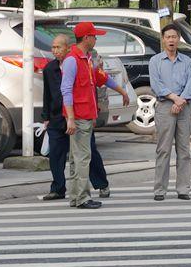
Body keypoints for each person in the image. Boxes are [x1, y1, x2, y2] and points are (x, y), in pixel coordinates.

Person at [61, 22, 130, 209]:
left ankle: (76, 197)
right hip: (79, 116)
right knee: (82, 158)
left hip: (84, 115)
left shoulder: (87, 59)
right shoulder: (73, 60)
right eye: (94, 36)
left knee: (77, 158)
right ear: (86, 38)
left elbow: (102, 77)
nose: (96, 39)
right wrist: (71, 118)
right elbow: (66, 90)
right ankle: (82, 198)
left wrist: (122, 91)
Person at [41, 34, 112, 202]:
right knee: (56, 154)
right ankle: (58, 188)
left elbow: (90, 89)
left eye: (58, 47)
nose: (55, 51)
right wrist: (46, 116)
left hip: (78, 115)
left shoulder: (79, 63)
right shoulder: (50, 69)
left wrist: (93, 114)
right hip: (58, 116)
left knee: (88, 153)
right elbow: (47, 94)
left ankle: (101, 184)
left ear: (68, 48)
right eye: (53, 47)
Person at [149, 24, 191, 201]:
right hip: (164, 107)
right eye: (168, 37)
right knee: (163, 149)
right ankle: (160, 190)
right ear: (163, 39)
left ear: (178, 39)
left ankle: (183, 189)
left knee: (184, 150)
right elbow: (156, 85)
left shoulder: (187, 61)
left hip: (184, 107)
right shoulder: (155, 61)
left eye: (174, 37)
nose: (171, 40)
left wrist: (181, 100)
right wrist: (174, 98)